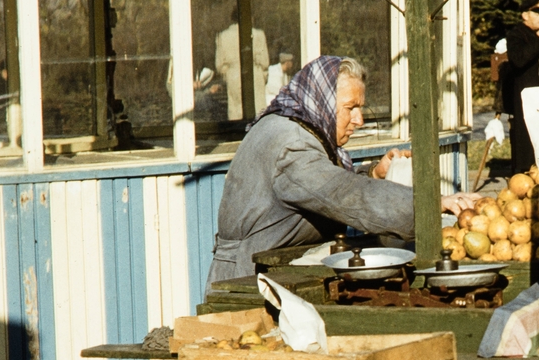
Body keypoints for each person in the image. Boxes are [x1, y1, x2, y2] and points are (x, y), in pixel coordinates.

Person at [205, 55, 478, 294]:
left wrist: (374, 174)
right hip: (246, 285)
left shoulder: (297, 127)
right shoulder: (291, 144)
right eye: (351, 108)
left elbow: (323, 184)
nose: (359, 120)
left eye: (360, 108)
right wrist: (431, 203)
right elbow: (343, 194)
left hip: (265, 276)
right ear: (321, 100)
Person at [498, 0, 539, 171]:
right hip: (526, 100)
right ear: (525, 15)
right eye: (538, 12)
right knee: (527, 145)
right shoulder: (516, 35)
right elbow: (519, 60)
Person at [214, 7, 270, 122]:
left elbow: (220, 64)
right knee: (257, 111)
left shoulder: (223, 36)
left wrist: (228, 74)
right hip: (255, 74)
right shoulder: (258, 35)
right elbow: (265, 62)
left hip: (233, 76)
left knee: (236, 113)